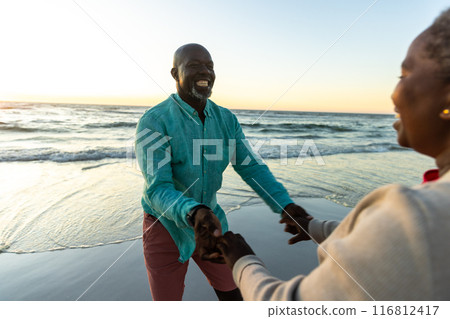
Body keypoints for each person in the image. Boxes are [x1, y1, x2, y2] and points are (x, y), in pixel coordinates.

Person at [216, 8, 450, 301]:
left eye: (404, 74)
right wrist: (313, 226)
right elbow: (383, 241)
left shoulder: (420, 216)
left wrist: (242, 260)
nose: (393, 93)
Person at [135, 43, 309, 301]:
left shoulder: (226, 119)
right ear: (175, 74)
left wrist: (285, 205)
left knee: (235, 297)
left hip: (211, 223)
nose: (205, 71)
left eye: (210, 66)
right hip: (165, 229)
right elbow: (158, 188)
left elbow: (250, 167)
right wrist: (193, 212)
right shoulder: (154, 121)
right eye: (194, 65)